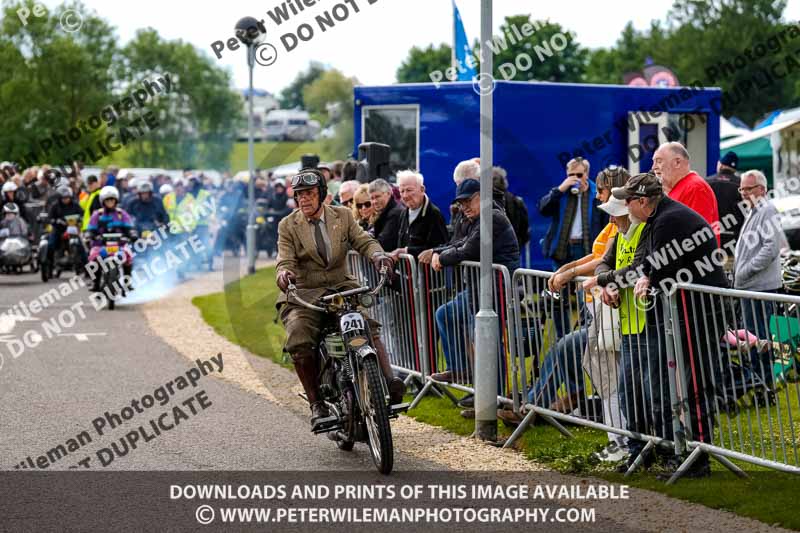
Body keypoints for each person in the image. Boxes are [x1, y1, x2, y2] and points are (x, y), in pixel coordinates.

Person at [604, 172, 727, 478]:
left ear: (642, 202)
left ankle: (698, 460)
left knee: (695, 385)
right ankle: (690, 454)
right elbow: (653, 265)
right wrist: (644, 276)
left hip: (700, 313)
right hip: (689, 311)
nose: (626, 208)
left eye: (628, 201)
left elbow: (658, 264)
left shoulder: (667, 220)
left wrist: (639, 277)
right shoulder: (661, 217)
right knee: (685, 385)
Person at [274, 169, 404, 430]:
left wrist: (379, 256)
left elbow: (364, 241)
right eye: (299, 195)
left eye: (309, 194)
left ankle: (389, 383)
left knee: (367, 327)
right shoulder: (288, 225)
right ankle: (316, 403)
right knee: (299, 337)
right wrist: (283, 274)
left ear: (322, 194)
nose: (304, 200)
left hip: (341, 288)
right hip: (305, 293)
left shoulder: (342, 215)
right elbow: (285, 259)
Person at [427, 179, 520, 383]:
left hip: (497, 290)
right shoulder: (478, 219)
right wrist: (437, 251)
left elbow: (469, 250)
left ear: (483, 196)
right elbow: (460, 243)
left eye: (468, 201)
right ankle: (462, 370)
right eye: (460, 203)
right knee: (446, 314)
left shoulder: (492, 217)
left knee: (487, 340)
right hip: (480, 288)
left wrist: (440, 257)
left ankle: (494, 397)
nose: (464, 207)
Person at [538, 156, 604, 339]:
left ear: (587, 174)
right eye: (571, 174)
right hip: (563, 250)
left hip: (587, 251)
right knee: (558, 296)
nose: (575, 177)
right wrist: (560, 189)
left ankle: (585, 334)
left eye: (579, 174)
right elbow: (543, 209)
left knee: (586, 295)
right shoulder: (562, 192)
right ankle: (563, 336)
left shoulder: (595, 193)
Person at [734, 169, 788, 389]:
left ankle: (764, 387)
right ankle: (759, 384)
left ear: (762, 189)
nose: (744, 193)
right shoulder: (755, 210)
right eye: (742, 189)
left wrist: (745, 271)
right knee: (755, 338)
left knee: (761, 339)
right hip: (751, 287)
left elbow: (771, 248)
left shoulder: (767, 209)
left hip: (760, 288)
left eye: (748, 188)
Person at [652, 141, 720, 243]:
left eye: (659, 161)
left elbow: (700, 236)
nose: (654, 167)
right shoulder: (682, 188)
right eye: (654, 162)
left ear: (677, 162)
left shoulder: (695, 188)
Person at [84, 186, 136, 290]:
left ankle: (127, 282)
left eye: (112, 200)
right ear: (103, 201)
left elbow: (130, 228)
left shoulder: (122, 214)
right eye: (107, 200)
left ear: (116, 200)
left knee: (128, 256)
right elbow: (90, 229)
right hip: (100, 245)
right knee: (93, 258)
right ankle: (96, 283)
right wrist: (89, 235)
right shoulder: (97, 214)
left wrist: (132, 234)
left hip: (120, 245)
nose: (110, 202)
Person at [391, 170, 448, 260]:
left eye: (409, 190)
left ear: (422, 189)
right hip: (406, 272)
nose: (405, 195)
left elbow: (439, 248)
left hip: (427, 273)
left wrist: (407, 251)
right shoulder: (403, 214)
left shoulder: (434, 214)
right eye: (401, 191)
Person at [707, 151, 745, 266]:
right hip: (733, 243)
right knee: (730, 278)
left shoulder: (706, 183)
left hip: (710, 242)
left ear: (720, 165)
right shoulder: (742, 185)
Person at [46, 185, 87, 268]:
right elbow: (50, 218)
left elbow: (82, 214)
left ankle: (86, 267)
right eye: (64, 198)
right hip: (59, 229)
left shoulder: (75, 205)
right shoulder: (55, 206)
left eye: (67, 198)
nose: (66, 200)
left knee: (82, 246)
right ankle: (49, 264)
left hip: (73, 229)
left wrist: (80, 219)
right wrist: (55, 221)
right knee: (50, 244)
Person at [493, 166, 530, 253]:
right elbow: (525, 229)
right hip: (512, 251)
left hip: (491, 253)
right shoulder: (517, 201)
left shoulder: (481, 202)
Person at [368, 179, 404, 252]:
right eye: (372, 198)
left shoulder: (395, 213)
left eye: (377, 196)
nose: (375, 201)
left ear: (388, 193)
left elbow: (384, 242)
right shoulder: (385, 213)